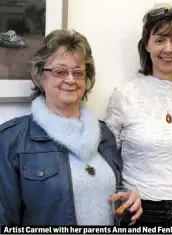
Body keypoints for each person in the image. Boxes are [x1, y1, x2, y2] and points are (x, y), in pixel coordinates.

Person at [0, 29, 142, 226]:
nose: (70, 79)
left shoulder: (104, 134)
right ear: (41, 76)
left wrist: (127, 199)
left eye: (78, 72)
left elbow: (112, 193)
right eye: (60, 71)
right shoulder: (11, 140)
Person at [105, 6, 172, 234]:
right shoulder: (124, 95)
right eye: (159, 40)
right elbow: (108, 162)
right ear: (147, 44)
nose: (168, 49)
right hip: (139, 213)